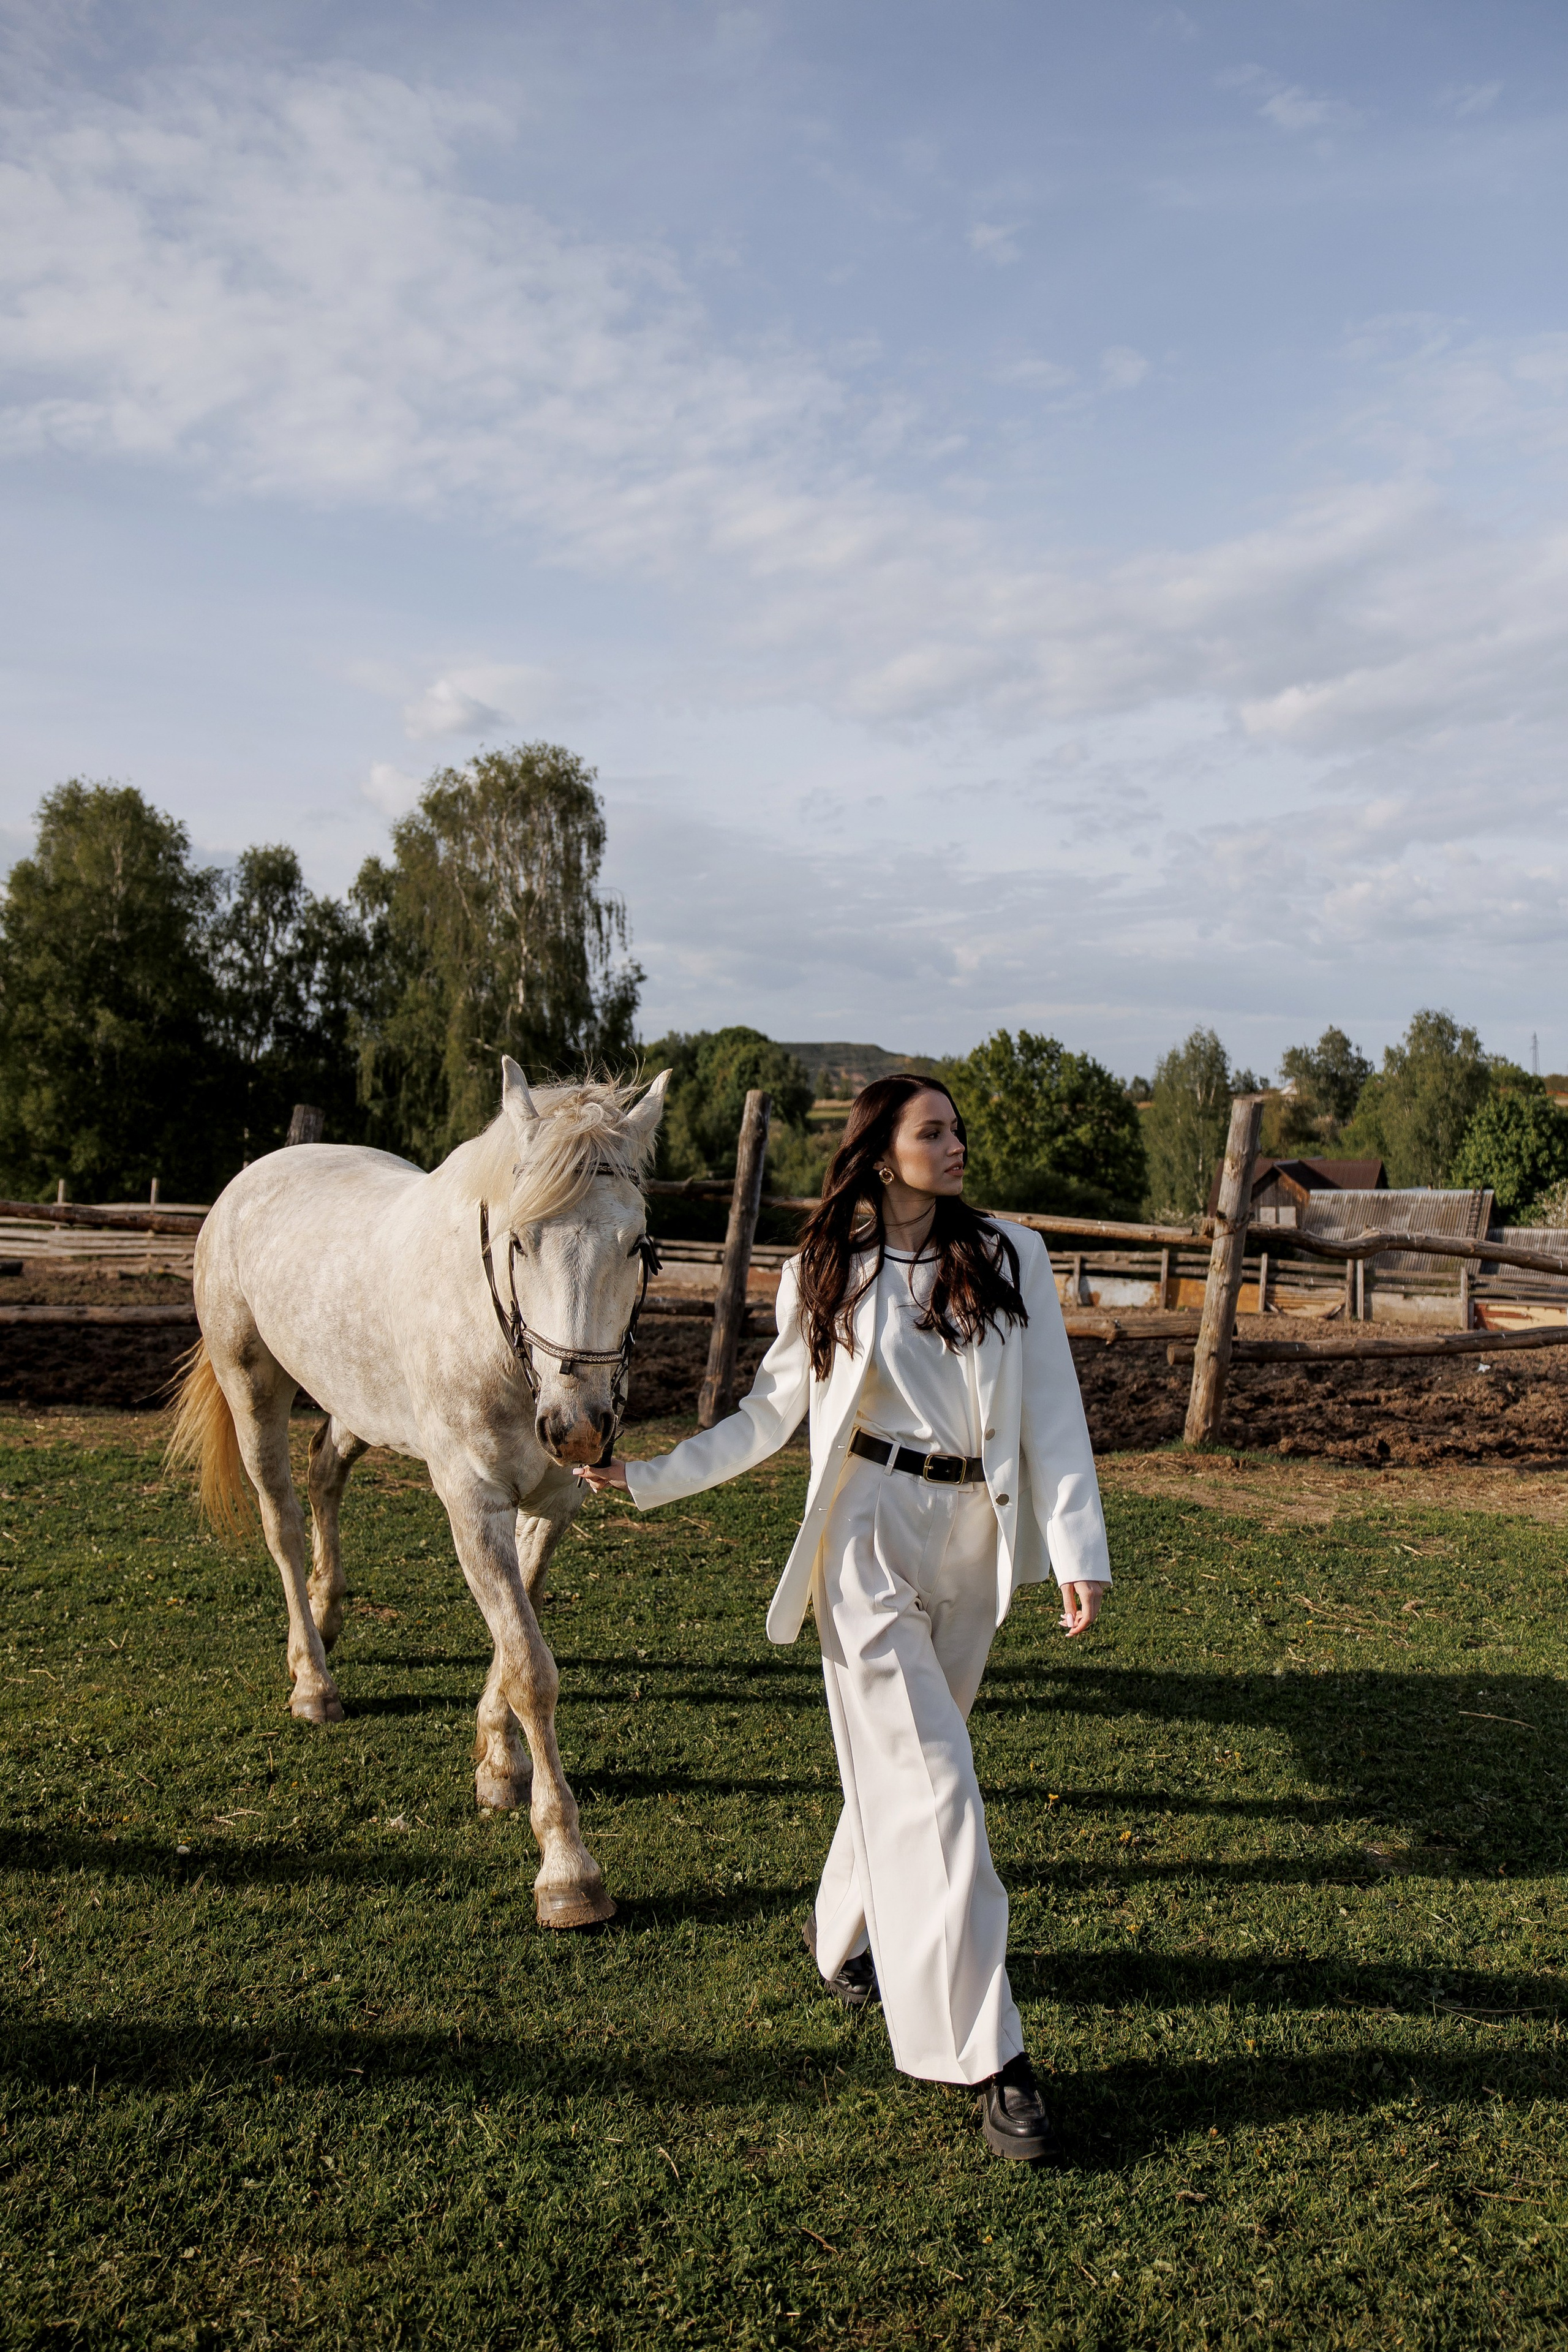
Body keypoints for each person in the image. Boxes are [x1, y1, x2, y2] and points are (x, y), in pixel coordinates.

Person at [576, 1074, 1111, 2160]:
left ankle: (842, 1935)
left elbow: (1053, 1406)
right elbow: (773, 1412)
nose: (958, 1145)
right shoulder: (826, 1268)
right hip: (863, 1530)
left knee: (917, 1758)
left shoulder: (1013, 1256)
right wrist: (650, 1479)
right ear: (879, 1151)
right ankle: (991, 2057)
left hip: (976, 1536)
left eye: (959, 1128)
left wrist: (1077, 1550)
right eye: (934, 1131)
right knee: (940, 1786)